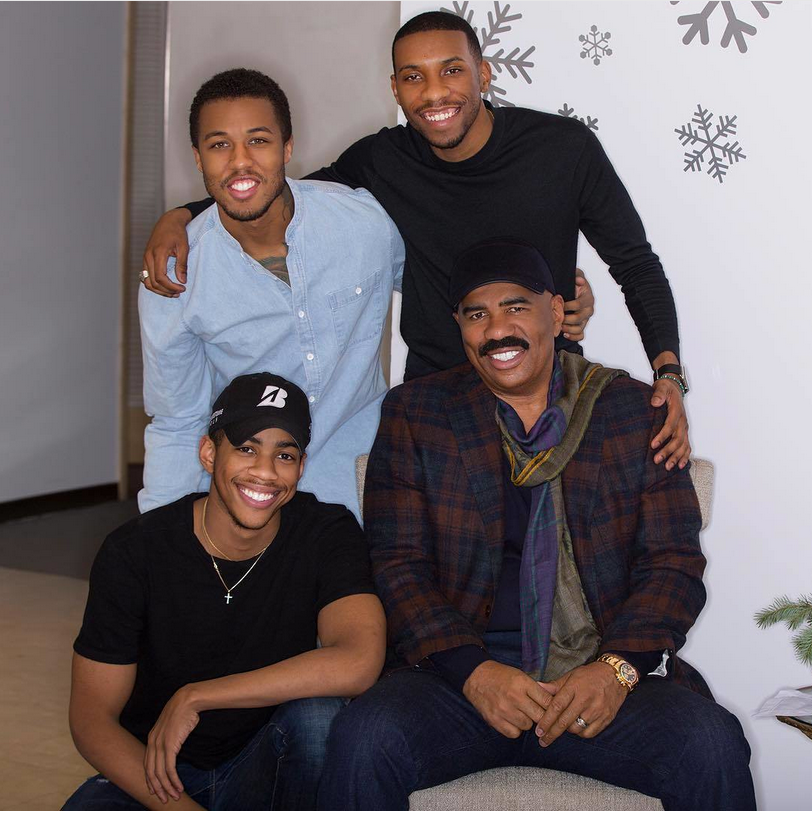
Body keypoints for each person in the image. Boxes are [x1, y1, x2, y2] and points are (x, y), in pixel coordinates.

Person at [141, 11, 690, 471]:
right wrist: (181, 216)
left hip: (548, 390)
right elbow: (274, 190)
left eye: (451, 70)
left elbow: (635, 264)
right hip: (437, 403)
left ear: (483, 73)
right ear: (395, 89)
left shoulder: (562, 149)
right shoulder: (382, 161)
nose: (434, 93)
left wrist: (667, 372)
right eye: (413, 77)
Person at [317, 239, 755, 810]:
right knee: (364, 739)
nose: (497, 329)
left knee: (711, 744)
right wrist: (473, 672)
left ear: (554, 311)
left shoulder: (631, 411)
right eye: (477, 314)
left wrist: (616, 671)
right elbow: (398, 565)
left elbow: (672, 564)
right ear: (460, 327)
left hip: (596, 680)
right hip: (459, 685)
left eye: (515, 307)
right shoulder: (418, 413)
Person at [64, 372, 385, 811]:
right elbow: (91, 720)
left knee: (317, 719)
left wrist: (197, 696)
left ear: (301, 467)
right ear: (209, 453)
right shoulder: (135, 550)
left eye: (284, 454)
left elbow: (359, 660)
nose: (265, 472)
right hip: (156, 770)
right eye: (247, 449)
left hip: (263, 763)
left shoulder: (326, 532)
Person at [138, 68, 404, 518]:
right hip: (251, 498)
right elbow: (177, 421)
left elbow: (437, 295)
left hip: (363, 484)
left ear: (287, 147)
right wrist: (160, 533)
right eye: (219, 145)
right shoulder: (177, 272)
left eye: (258, 141)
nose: (239, 162)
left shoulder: (363, 225)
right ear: (198, 158)